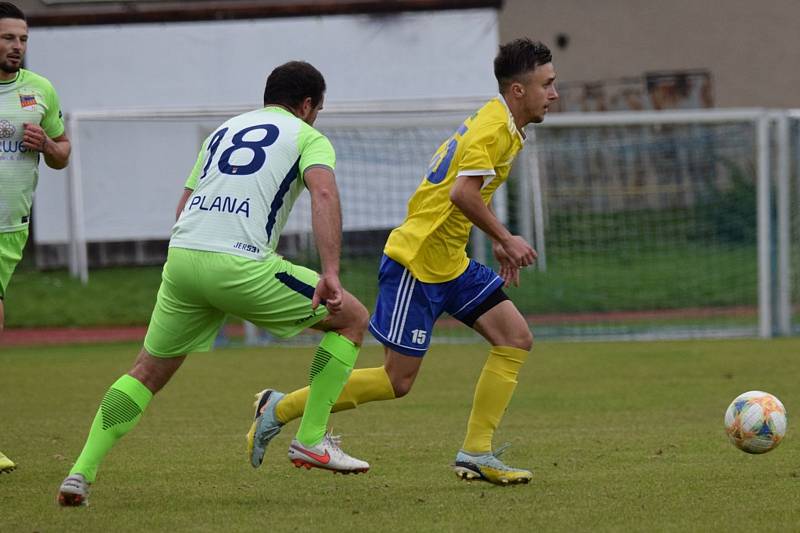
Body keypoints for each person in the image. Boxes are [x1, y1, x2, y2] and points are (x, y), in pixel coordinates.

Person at [58, 60, 371, 507]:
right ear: (307, 105)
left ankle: (79, 472)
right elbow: (323, 193)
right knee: (352, 319)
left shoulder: (222, 132)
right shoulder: (308, 136)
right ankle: (311, 438)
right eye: (318, 108)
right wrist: (331, 271)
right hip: (240, 264)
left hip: (184, 258)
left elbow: (185, 204)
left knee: (146, 369)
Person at [248, 38, 559, 486]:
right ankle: (279, 407)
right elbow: (462, 193)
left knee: (515, 338)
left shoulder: (503, 125)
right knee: (397, 381)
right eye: (546, 84)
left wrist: (495, 242)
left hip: (451, 262)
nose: (553, 93)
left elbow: (462, 195)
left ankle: (476, 451)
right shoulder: (493, 129)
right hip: (418, 263)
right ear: (517, 90)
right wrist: (506, 238)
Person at [0, 1, 71, 475]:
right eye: (8, 38)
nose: (17, 47)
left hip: (10, 234)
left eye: (23, 39)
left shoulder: (39, 90)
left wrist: (46, 146)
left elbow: (63, 152)